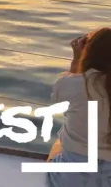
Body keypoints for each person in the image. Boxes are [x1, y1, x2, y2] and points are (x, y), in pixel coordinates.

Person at [46, 28, 111, 187]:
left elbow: (59, 102)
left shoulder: (72, 84)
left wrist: (77, 59)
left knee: (60, 141)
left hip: (71, 180)